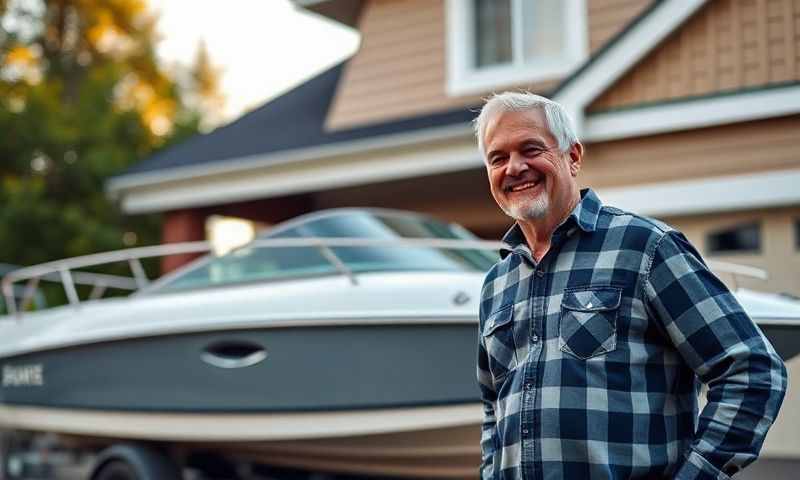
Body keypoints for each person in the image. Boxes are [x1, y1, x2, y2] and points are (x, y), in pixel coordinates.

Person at [474, 92, 787, 479]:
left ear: (573, 157)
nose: (515, 167)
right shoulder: (496, 284)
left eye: (531, 149)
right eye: (497, 158)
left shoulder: (646, 248)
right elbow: (493, 409)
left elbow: (752, 369)